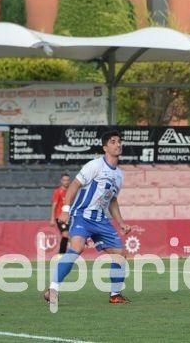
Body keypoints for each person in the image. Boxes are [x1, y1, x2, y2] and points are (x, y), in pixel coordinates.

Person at [43, 130, 132, 306]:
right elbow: (74, 185)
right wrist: (66, 210)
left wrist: (121, 223)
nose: (118, 144)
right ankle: (52, 289)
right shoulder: (95, 165)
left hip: (101, 220)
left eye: (119, 141)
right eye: (113, 142)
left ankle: (115, 294)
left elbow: (112, 200)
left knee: (120, 255)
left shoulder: (119, 175)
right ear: (105, 147)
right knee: (77, 247)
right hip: (82, 215)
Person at [49, 173, 71, 255]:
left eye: (67, 180)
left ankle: (69, 255)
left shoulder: (70, 191)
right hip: (60, 217)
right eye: (64, 180)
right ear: (61, 181)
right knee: (65, 234)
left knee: (71, 236)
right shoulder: (58, 191)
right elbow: (54, 205)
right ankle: (61, 255)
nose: (66, 182)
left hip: (69, 217)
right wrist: (52, 218)